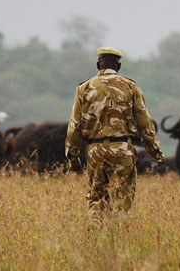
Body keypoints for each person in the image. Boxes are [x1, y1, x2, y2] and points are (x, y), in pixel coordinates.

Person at [65, 46, 164, 215]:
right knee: (122, 198)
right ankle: (118, 235)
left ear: (98, 65)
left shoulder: (84, 88)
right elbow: (144, 123)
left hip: (94, 150)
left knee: (96, 199)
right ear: (118, 67)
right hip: (122, 148)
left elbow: (75, 127)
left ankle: (96, 236)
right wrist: (154, 151)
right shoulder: (131, 87)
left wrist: (73, 159)